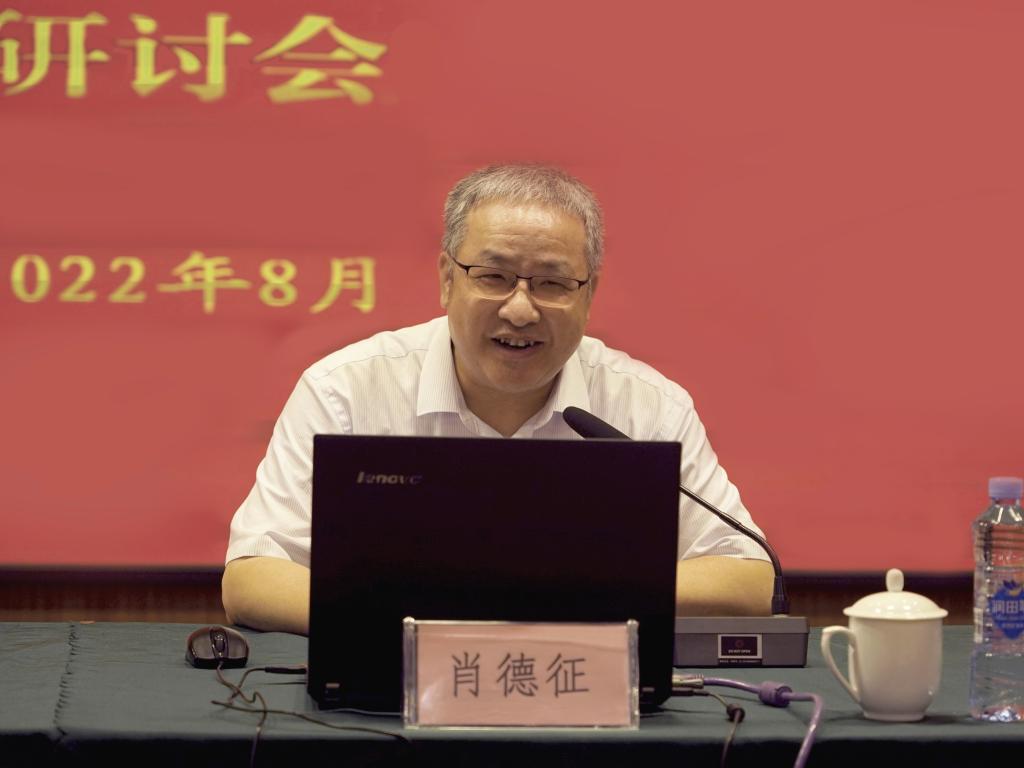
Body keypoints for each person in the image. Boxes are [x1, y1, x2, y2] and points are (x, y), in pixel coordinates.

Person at [223, 165, 774, 634]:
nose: (520, 310)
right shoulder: (345, 389)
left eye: (552, 284)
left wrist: (544, 598)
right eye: (493, 277)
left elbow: (747, 579)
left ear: (589, 294)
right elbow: (253, 576)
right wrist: (440, 619)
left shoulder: (646, 406)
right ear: (447, 279)